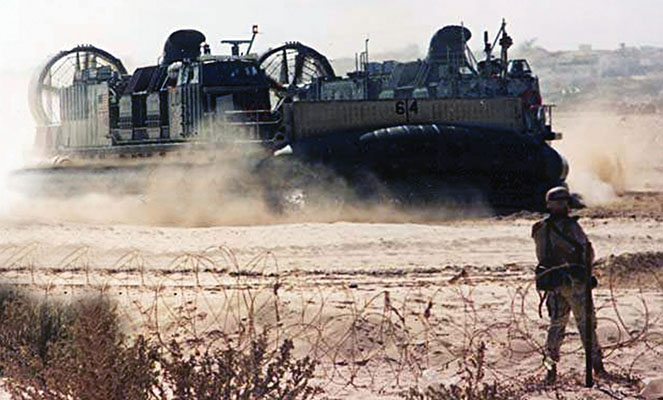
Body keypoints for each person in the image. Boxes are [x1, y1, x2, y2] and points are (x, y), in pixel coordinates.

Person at [531, 186, 605, 385]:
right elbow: (586, 252)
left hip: (554, 284)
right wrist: (586, 273)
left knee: (556, 328)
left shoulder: (539, 228)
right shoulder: (571, 227)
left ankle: (550, 370)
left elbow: (542, 256)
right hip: (575, 284)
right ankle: (597, 367)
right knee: (586, 325)